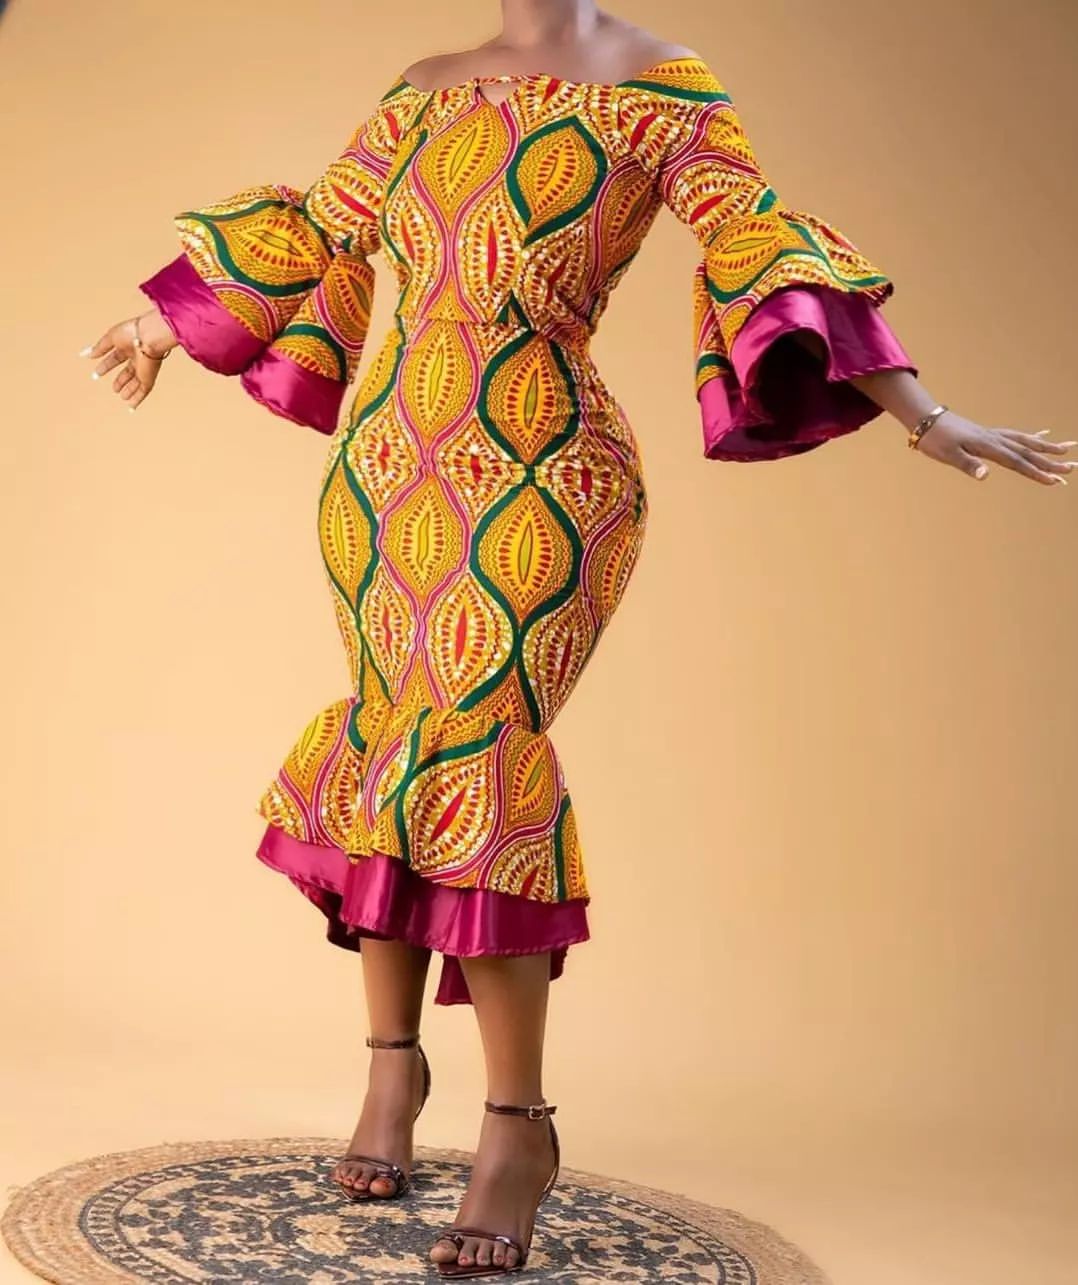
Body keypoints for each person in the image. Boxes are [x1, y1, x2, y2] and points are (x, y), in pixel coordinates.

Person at [81, 2, 1074, 1277]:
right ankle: (391, 1073)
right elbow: (318, 229)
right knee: (392, 746)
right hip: (385, 469)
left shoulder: (665, 87)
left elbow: (758, 242)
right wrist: (158, 327)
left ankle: (516, 1129)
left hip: (546, 466)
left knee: (479, 754)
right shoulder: (424, 86)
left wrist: (923, 415)